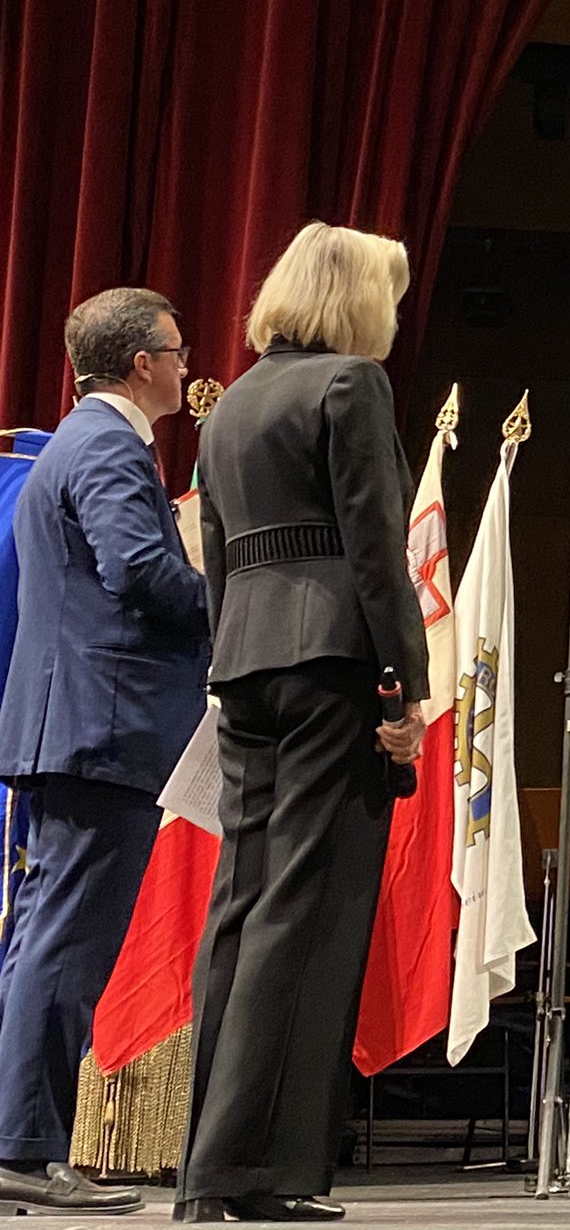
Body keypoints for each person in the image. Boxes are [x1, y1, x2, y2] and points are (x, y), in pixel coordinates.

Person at [177, 223, 427, 1225]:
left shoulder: (232, 403)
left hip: (244, 665)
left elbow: (216, 554)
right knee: (305, 908)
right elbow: (376, 549)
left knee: (241, 904)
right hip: (330, 662)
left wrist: (226, 664)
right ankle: (247, 1168)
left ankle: (216, 1171)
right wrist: (402, 689)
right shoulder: (351, 385)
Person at [0, 289, 209, 1216]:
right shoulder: (111, 448)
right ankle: (24, 1148)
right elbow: (139, 571)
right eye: (178, 351)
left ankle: (18, 1139)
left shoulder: (75, 443)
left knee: (44, 940)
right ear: (141, 364)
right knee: (66, 946)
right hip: (103, 729)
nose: (187, 365)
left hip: (75, 727)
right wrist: (237, 604)